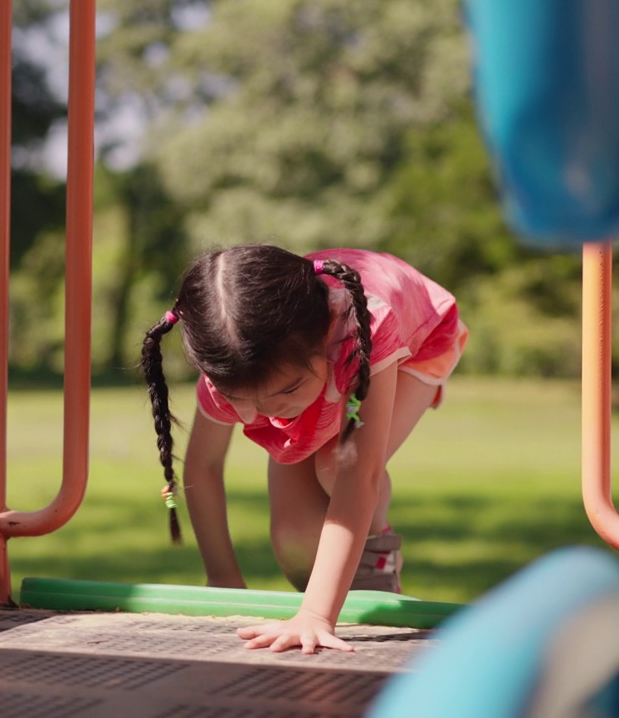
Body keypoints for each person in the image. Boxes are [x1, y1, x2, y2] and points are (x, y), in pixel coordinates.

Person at [140, 244, 468, 654]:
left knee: (335, 465)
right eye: (244, 400)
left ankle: (375, 565)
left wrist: (316, 615)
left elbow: (359, 472)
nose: (268, 412)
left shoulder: (359, 326)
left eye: (287, 391)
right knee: (294, 538)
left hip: (419, 338)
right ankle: (327, 589)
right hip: (314, 356)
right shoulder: (231, 362)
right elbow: (203, 467)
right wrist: (223, 579)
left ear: (323, 338)